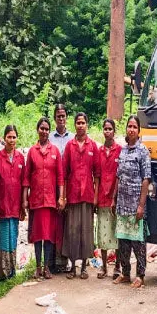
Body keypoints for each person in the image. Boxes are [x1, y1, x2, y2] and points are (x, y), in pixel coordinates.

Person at [23, 118, 64, 280]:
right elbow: (26, 177)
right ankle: (38, 267)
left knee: (48, 235)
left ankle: (46, 267)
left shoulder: (55, 151)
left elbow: (60, 177)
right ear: (37, 130)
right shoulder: (32, 152)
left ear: (49, 131)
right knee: (37, 235)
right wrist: (25, 199)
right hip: (36, 200)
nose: (44, 131)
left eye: (47, 129)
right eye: (42, 128)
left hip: (50, 201)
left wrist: (61, 197)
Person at [113, 115, 152, 288]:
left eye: (135, 127)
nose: (131, 129)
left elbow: (146, 179)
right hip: (122, 204)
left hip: (136, 205)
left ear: (139, 130)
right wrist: (114, 199)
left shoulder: (143, 151)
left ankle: (140, 276)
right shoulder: (122, 150)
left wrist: (141, 206)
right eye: (129, 126)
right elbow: (118, 176)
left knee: (138, 243)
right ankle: (125, 273)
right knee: (123, 242)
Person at [62, 112, 100, 280]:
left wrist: (96, 196)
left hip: (87, 195)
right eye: (78, 123)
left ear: (87, 125)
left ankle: (84, 266)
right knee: (72, 231)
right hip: (72, 194)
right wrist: (63, 196)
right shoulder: (69, 146)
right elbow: (64, 174)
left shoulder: (93, 146)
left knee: (85, 231)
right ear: (74, 125)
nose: (80, 125)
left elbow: (97, 174)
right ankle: (72, 267)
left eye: (83, 122)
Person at [0, 125, 26, 281]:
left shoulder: (20, 158)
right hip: (3, 205)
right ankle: (1, 274)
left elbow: (24, 182)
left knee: (13, 237)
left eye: (14, 137)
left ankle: (11, 272)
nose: (11, 140)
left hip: (16, 205)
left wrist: (24, 205)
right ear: (4, 138)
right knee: (3, 239)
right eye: (9, 137)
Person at [96, 118, 122, 279]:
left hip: (116, 199)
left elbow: (120, 175)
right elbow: (97, 176)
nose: (107, 132)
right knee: (103, 232)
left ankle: (117, 267)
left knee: (116, 232)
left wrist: (115, 197)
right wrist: (95, 198)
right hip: (101, 198)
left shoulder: (120, 150)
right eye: (105, 129)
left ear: (114, 131)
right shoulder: (98, 151)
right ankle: (104, 266)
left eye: (110, 129)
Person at [49, 104, 71, 274]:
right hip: (53, 186)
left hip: (69, 185)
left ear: (66, 117)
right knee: (54, 223)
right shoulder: (49, 138)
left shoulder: (73, 138)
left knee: (67, 224)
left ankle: (65, 260)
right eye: (58, 116)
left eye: (63, 116)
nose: (61, 119)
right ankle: (53, 262)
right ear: (54, 118)